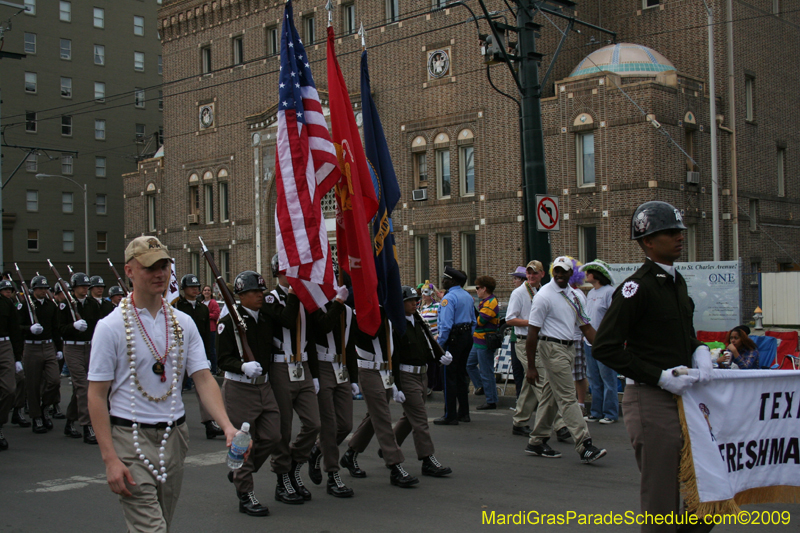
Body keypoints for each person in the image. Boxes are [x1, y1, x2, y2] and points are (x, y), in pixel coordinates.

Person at [87, 236, 237, 532]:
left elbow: (203, 377)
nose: (159, 274)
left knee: (162, 522)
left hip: (174, 436)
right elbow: (96, 395)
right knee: (152, 527)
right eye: (149, 267)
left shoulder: (183, 322)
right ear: (129, 271)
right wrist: (109, 459)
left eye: (164, 266)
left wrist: (227, 425)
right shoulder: (111, 326)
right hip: (130, 437)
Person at [592, 201, 713, 533]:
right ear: (647, 241)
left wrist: (699, 349)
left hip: (684, 398)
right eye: (670, 233)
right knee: (662, 505)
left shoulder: (677, 283)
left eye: (679, 231)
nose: (679, 237)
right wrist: (658, 376)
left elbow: (681, 336)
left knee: (708, 496)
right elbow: (605, 346)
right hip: (651, 400)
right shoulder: (636, 288)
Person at [524, 256, 607, 464]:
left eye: (564, 271)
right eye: (557, 271)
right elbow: (532, 332)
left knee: (550, 397)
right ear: (553, 272)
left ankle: (536, 441)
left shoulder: (575, 296)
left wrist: (605, 349)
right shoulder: (544, 296)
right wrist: (531, 366)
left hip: (569, 348)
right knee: (568, 397)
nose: (560, 275)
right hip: (551, 348)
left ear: (572, 274)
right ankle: (584, 444)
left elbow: (585, 327)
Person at [217, 270, 282, 517]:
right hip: (240, 387)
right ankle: (246, 494)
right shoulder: (227, 323)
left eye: (261, 291)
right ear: (241, 295)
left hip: (264, 386)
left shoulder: (264, 318)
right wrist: (241, 366)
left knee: (273, 435)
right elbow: (223, 359)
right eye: (254, 292)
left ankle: (239, 471)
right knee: (242, 440)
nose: (259, 295)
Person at [262, 255, 321, 503]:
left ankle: (296, 464)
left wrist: (315, 373)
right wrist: (296, 293)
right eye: (288, 272)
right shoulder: (269, 298)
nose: (293, 277)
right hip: (281, 367)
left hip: (303, 365)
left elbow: (313, 336)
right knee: (283, 428)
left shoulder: (302, 296)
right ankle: (282, 477)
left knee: (313, 423)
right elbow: (286, 319)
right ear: (278, 273)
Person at [342, 306, 419, 487]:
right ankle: (395, 464)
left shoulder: (388, 310)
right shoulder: (360, 311)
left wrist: (397, 384)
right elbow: (365, 336)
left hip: (386, 370)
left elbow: (395, 349)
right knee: (383, 416)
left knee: (374, 416)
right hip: (368, 369)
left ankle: (350, 454)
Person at [391, 286, 453, 477]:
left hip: (421, 375)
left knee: (409, 419)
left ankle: (388, 449)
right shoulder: (396, 325)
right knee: (419, 419)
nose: (414, 303)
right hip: (406, 376)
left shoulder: (417, 321)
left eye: (415, 299)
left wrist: (439, 358)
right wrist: (396, 385)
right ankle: (427, 459)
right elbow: (394, 357)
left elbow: (425, 348)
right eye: (409, 300)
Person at [306, 277, 358, 498]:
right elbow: (323, 326)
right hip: (322, 365)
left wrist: (354, 378)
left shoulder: (346, 311)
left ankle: (317, 450)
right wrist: (315, 375)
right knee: (328, 424)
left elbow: (350, 345)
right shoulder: (314, 307)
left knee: (345, 424)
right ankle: (333, 474)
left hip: (341, 366)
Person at [507, 260, 561, 437]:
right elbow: (510, 319)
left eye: (535, 273)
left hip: (539, 341)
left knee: (530, 382)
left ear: (542, 274)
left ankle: (520, 421)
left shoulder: (542, 291)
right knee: (543, 381)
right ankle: (560, 424)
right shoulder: (519, 293)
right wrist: (532, 323)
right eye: (529, 273)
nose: (531, 276)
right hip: (524, 341)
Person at [174, 274, 224, 440]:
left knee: (204, 389)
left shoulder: (203, 308)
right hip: (179, 352)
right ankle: (170, 419)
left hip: (197, 352)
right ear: (184, 289)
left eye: (197, 287)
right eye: (191, 287)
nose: (195, 289)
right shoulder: (177, 308)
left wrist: (209, 356)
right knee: (175, 388)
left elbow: (206, 335)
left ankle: (210, 423)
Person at [59, 272, 101, 443]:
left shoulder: (92, 304)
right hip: (72, 348)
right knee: (84, 387)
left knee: (81, 388)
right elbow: (60, 329)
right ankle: (87, 425)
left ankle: (70, 421)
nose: (85, 289)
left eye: (86, 286)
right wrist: (73, 326)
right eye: (82, 286)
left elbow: (99, 326)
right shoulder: (65, 305)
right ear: (74, 288)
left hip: (90, 347)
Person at [19, 275, 62, 434]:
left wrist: (59, 348)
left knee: (54, 381)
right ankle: (36, 416)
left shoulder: (51, 306)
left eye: (45, 288)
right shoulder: (25, 306)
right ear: (33, 290)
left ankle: (45, 407)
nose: (44, 291)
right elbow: (17, 327)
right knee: (33, 385)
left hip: (49, 345)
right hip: (32, 347)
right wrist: (28, 329)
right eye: (40, 288)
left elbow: (55, 328)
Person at [434, 267, 476, 425]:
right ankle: (464, 413)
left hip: (453, 339)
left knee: (448, 376)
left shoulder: (448, 298)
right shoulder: (467, 296)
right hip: (465, 337)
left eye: (445, 278)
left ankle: (449, 415)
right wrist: (467, 337)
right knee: (461, 376)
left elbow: (445, 325)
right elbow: (473, 321)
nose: (442, 281)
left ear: (453, 281)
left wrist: (440, 345)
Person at [579, 260, 618, 424]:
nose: (586, 275)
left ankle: (610, 413)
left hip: (604, 343)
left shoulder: (610, 292)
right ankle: (596, 411)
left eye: (589, 272)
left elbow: (614, 316)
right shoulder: (591, 293)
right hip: (589, 343)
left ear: (597, 274)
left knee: (608, 378)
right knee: (593, 378)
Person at [468, 276, 500, 410]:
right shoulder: (485, 302)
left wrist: (472, 307)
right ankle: (481, 386)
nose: (476, 290)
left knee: (486, 371)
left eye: (478, 288)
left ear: (484, 288)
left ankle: (491, 400)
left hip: (485, 342)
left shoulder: (490, 303)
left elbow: (480, 321)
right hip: (478, 341)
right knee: (469, 364)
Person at [0, 279, 24, 450]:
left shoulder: (6, 303)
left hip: (4, 345)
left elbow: (15, 329)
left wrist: (17, 357)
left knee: (9, 389)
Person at [506, 267, 528, 398]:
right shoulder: (517, 293)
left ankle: (523, 400)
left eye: (515, 278)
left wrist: (529, 322)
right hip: (516, 337)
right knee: (518, 370)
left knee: (521, 371)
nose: (514, 281)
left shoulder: (519, 293)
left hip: (523, 338)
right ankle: (520, 398)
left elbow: (510, 319)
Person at [418, 281, 443, 395]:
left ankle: (433, 385)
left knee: (434, 362)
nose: (423, 294)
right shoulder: (422, 308)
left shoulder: (438, 306)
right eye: (422, 292)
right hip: (425, 339)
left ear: (432, 293)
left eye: (426, 292)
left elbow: (442, 322)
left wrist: (438, 335)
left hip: (435, 338)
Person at [201, 285, 221, 374]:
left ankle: (214, 368)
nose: (207, 292)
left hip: (212, 329)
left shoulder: (213, 303)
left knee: (212, 349)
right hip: (203, 329)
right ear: (202, 292)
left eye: (208, 290)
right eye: (205, 290)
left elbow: (216, 315)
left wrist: (206, 315)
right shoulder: (201, 303)